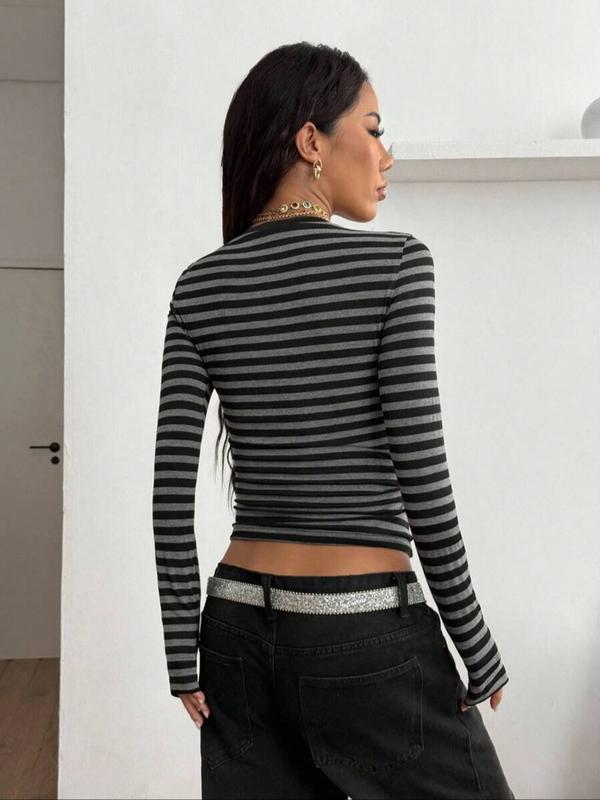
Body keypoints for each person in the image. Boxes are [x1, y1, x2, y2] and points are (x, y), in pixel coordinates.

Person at [152, 41, 515, 800]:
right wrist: (474, 642)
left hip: (235, 631)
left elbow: (169, 494)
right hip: (362, 633)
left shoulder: (199, 287)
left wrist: (181, 652)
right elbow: (422, 475)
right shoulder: (396, 266)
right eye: (374, 129)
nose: (386, 155)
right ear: (311, 141)